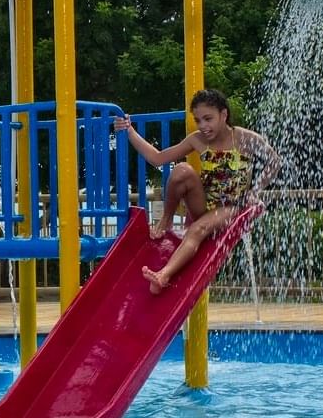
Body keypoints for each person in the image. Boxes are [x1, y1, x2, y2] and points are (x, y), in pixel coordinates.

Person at [114, 89, 282, 295]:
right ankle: (166, 219)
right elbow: (158, 158)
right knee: (181, 170)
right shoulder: (197, 140)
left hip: (230, 206)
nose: (203, 126)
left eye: (208, 119)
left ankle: (164, 274)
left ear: (224, 114)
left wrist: (255, 190)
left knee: (197, 229)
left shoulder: (245, 138)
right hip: (203, 203)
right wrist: (129, 131)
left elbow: (274, 162)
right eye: (198, 120)